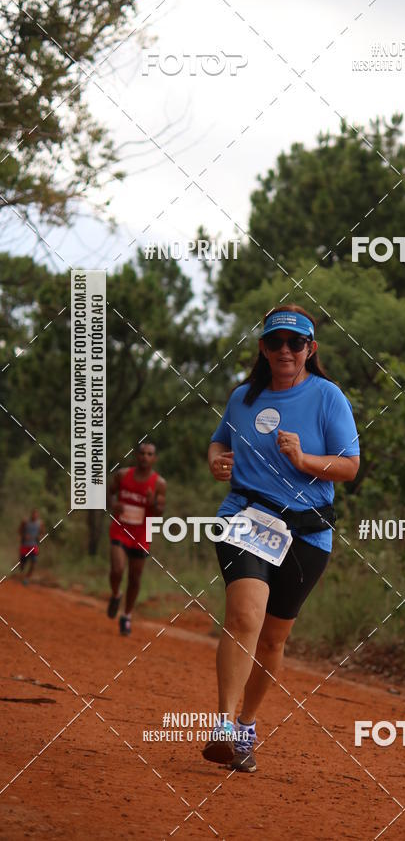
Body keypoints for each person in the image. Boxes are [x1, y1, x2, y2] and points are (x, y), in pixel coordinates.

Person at [202, 304, 360, 773]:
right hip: (245, 518)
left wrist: (305, 460)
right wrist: (216, 460)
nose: (285, 350)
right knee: (244, 615)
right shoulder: (243, 398)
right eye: (276, 342)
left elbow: (349, 467)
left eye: (296, 343)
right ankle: (224, 726)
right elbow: (218, 441)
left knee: (273, 641)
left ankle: (247, 728)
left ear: (310, 349)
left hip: (307, 532)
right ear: (264, 349)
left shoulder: (329, 397)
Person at [107, 440, 166, 635]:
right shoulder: (123, 475)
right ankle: (116, 594)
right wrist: (113, 504)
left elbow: (159, 512)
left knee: (134, 577)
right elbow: (109, 492)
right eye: (142, 453)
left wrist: (152, 503)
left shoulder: (159, 483)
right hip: (120, 529)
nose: (145, 457)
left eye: (150, 454)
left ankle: (126, 616)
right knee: (117, 569)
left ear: (154, 459)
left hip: (141, 535)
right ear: (136, 456)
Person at [18, 508, 45, 584]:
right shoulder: (25, 522)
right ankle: (22, 575)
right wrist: (24, 536)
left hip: (34, 546)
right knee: (23, 563)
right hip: (25, 545)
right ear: (31, 514)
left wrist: (40, 537)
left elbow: (43, 533)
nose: (35, 516)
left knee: (34, 562)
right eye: (34, 514)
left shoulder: (40, 523)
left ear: (38, 515)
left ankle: (27, 578)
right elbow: (19, 531)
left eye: (36, 515)